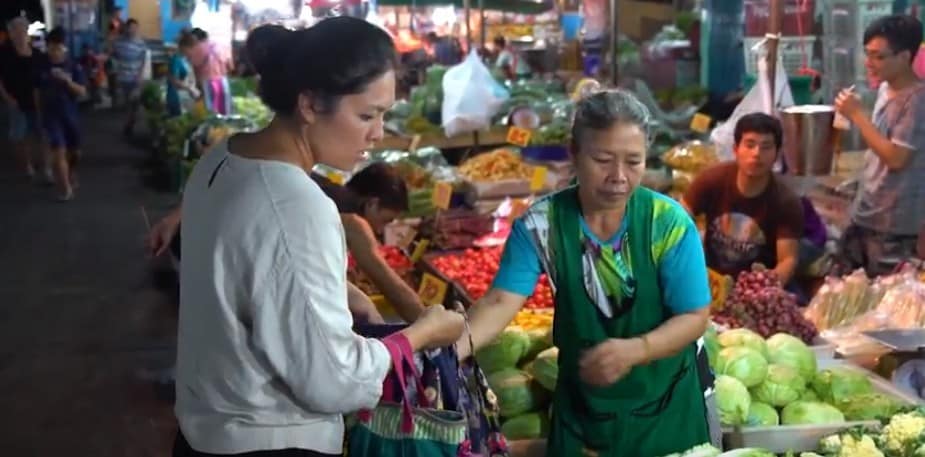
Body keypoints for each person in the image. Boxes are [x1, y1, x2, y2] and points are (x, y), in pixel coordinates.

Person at [171, 18, 464, 457]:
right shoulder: (298, 204)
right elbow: (335, 380)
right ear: (309, 105)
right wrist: (422, 333)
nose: (378, 133)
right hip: (271, 441)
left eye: (383, 114)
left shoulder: (223, 157)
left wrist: (338, 290)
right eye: (366, 115)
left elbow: (247, 264)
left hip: (205, 431)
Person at [457, 90, 716, 455]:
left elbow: (694, 316)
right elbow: (500, 302)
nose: (619, 177)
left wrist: (636, 350)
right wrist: (452, 350)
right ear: (573, 153)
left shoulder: (667, 224)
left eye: (633, 162)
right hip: (584, 415)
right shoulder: (541, 226)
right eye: (603, 159)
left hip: (665, 410)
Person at [147, 162, 425, 323]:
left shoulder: (326, 190)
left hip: (201, 238)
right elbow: (382, 279)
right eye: (386, 220)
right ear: (372, 203)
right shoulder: (342, 214)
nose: (383, 229)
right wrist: (426, 326)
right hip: (204, 246)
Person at [835, 14, 925, 276]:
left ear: (905, 56)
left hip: (894, 224)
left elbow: (896, 158)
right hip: (866, 212)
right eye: (867, 54)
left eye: (879, 56)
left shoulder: (916, 102)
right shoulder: (886, 89)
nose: (869, 63)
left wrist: (857, 116)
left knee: (883, 305)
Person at [682, 113, 805, 285]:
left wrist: (765, 289)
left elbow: (788, 260)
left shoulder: (786, 201)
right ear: (735, 149)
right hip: (711, 281)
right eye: (750, 145)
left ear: (777, 154)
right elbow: (678, 219)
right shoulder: (712, 180)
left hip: (756, 285)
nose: (756, 154)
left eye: (766, 147)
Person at [37, 28, 87, 202]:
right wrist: (39, 113)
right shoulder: (42, 65)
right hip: (51, 116)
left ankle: (72, 172)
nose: (54, 52)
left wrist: (68, 81)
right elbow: (37, 91)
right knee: (59, 151)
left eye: (58, 48)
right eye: (51, 48)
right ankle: (66, 189)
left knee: (75, 152)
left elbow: (82, 91)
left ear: (64, 48)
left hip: (70, 115)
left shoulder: (74, 66)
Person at [0, 17, 46, 181]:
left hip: (37, 102)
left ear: (28, 33)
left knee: (40, 134)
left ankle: (45, 166)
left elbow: (45, 79)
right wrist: (7, 98)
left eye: (22, 31)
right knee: (19, 136)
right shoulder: (4, 54)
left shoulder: (39, 55)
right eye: (15, 31)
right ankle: (27, 165)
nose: (19, 35)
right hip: (16, 102)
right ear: (10, 34)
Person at [111, 18, 148, 136]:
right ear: (126, 28)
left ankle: (130, 123)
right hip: (122, 77)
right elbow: (113, 55)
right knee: (126, 102)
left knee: (135, 103)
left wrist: (141, 75)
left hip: (135, 78)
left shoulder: (141, 44)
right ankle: (128, 124)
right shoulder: (119, 42)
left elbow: (143, 61)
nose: (132, 30)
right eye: (130, 27)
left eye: (134, 27)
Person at [187, 28, 232, 115]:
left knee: (211, 112)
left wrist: (197, 88)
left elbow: (195, 69)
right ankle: (226, 127)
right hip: (223, 81)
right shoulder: (219, 46)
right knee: (226, 111)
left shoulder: (197, 48)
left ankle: (214, 128)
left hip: (208, 82)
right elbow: (228, 66)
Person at [166, 33, 199, 117]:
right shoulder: (176, 60)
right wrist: (190, 89)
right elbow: (174, 80)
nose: (192, 51)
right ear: (184, 47)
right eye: (191, 48)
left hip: (185, 96)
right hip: (176, 97)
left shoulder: (185, 59)